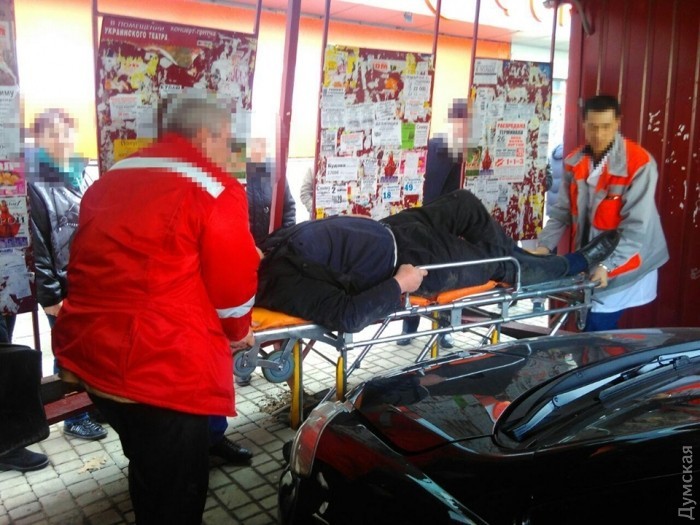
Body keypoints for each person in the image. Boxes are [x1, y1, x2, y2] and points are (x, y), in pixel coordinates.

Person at [52, 90, 260, 525]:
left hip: (92, 354)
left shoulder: (113, 176)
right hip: (160, 368)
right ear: (207, 134)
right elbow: (233, 292)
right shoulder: (214, 188)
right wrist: (240, 332)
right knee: (175, 497)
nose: (230, 152)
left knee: (149, 467)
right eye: (227, 141)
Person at [256, 189, 619, 334]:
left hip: (396, 229)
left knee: (464, 203)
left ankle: (524, 258)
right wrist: (400, 284)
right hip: (414, 264)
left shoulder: (269, 248)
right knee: (498, 264)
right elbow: (347, 316)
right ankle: (575, 263)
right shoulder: (282, 285)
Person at [532, 95, 669, 331]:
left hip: (630, 258)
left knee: (596, 326)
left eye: (606, 126)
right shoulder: (575, 162)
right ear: (584, 123)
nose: (598, 134)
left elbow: (636, 227)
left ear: (617, 122)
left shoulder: (639, 163)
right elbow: (562, 211)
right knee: (589, 323)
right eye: (593, 127)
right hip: (593, 255)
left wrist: (607, 265)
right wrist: (544, 246)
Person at [207, 137, 296, 462]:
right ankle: (210, 434)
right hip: (227, 270)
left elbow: (288, 212)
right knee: (216, 353)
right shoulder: (218, 177)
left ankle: (214, 436)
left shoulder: (272, 172)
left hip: (263, 264)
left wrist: (274, 248)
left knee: (260, 329)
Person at [26, 109, 107, 441]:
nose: (61, 139)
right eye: (52, 133)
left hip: (91, 281)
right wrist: (50, 296)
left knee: (95, 347)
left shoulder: (82, 174)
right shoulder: (34, 183)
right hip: (62, 286)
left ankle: (96, 404)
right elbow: (36, 245)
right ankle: (75, 416)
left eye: (66, 131)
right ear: (39, 139)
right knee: (68, 350)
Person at [398, 99, 470, 347]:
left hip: (443, 228)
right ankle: (412, 326)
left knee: (443, 280)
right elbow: (428, 192)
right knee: (423, 275)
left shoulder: (463, 152)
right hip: (429, 226)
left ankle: (439, 329)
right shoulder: (440, 147)